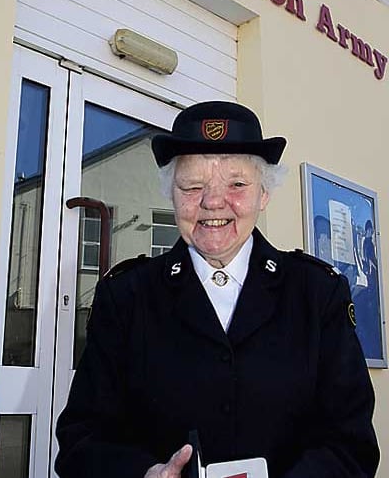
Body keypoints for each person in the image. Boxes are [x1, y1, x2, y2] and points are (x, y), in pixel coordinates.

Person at [55, 101, 379, 478]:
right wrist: (144, 473)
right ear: (171, 195)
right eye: (192, 186)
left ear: (264, 194)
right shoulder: (127, 297)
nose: (212, 202)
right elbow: (81, 440)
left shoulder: (318, 294)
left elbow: (351, 445)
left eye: (237, 184)